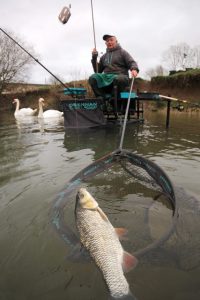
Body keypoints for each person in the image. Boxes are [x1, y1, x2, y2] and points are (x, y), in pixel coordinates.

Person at [89, 34, 139, 99]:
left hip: (121, 77)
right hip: (107, 78)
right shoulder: (104, 56)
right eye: (107, 41)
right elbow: (98, 71)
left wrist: (134, 69)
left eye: (111, 40)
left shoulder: (123, 52)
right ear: (105, 43)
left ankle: (113, 98)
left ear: (116, 41)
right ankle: (101, 99)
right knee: (93, 77)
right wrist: (94, 58)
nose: (109, 42)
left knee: (118, 79)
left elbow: (132, 62)